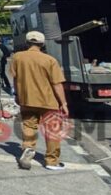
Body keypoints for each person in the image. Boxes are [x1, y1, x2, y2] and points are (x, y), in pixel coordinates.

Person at [10, 31, 68, 171]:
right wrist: (64, 103)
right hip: (48, 101)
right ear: (42, 44)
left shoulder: (17, 57)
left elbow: (15, 78)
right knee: (52, 130)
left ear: (27, 42)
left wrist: (18, 95)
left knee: (29, 126)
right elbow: (57, 84)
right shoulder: (49, 60)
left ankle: (28, 148)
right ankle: (51, 161)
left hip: (27, 99)